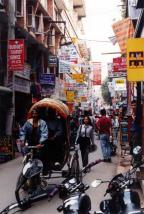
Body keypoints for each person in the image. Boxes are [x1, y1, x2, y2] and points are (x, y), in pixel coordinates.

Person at [19, 109, 48, 174]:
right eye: (33, 113)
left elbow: (44, 133)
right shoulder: (28, 122)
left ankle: (43, 172)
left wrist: (41, 142)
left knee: (41, 157)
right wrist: (22, 140)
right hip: (30, 143)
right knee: (27, 157)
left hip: (39, 144)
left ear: (38, 114)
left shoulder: (42, 123)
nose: (34, 115)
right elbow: (23, 131)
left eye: (36, 113)